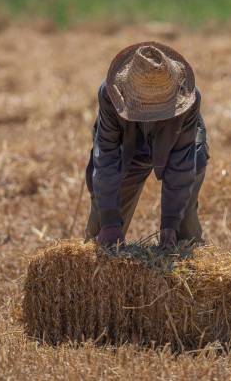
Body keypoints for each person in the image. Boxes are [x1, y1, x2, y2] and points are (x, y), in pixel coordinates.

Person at [84, 42, 209, 249]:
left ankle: (183, 241)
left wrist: (170, 224)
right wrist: (109, 221)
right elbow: (106, 157)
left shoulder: (188, 100)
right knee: (101, 234)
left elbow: (182, 166)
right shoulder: (110, 96)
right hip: (127, 151)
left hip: (179, 148)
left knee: (183, 231)